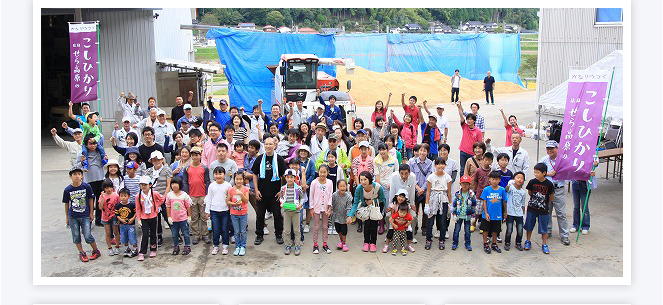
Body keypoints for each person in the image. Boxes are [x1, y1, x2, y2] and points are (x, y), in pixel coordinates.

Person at [251, 137, 287, 245]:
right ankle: (259, 235)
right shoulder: (260, 158)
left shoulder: (279, 159)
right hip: (261, 192)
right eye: (266, 144)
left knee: (277, 215)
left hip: (275, 193)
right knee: (260, 215)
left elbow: (284, 176)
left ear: (274, 146)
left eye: (270, 144)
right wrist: (256, 190)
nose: (268, 146)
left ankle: (279, 235)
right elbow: (254, 174)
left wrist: (281, 191)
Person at [63, 166, 101, 262]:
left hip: (85, 215)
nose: (77, 176)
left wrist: (91, 213)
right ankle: (81, 252)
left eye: (79, 174)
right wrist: (67, 217)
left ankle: (95, 250)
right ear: (70, 176)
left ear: (82, 176)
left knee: (87, 235)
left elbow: (91, 199)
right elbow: (67, 204)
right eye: (74, 174)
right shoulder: (68, 190)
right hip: (73, 216)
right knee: (76, 236)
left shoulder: (86, 187)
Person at [539, 140, 570, 246]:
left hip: (558, 189)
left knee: (561, 213)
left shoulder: (563, 160)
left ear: (557, 148)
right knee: (547, 211)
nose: (550, 150)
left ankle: (564, 235)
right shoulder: (544, 160)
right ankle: (547, 231)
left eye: (552, 148)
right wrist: (548, 173)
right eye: (548, 148)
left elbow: (570, 171)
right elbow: (538, 173)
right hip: (546, 190)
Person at [348, 171, 387, 252]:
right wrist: (350, 215)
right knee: (366, 225)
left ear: (369, 179)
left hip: (376, 207)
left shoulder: (378, 187)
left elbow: (382, 199)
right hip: (365, 208)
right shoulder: (359, 188)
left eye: (365, 179)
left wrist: (372, 201)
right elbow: (355, 203)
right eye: (361, 179)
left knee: (374, 225)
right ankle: (366, 243)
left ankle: (373, 243)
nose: (363, 182)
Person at [182, 146, 211, 245]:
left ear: (200, 156)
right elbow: (185, 182)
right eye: (193, 155)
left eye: (197, 155)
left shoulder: (204, 168)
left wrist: (207, 195)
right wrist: (187, 195)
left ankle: (205, 234)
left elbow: (207, 181)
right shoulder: (187, 168)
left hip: (202, 195)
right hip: (192, 196)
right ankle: (195, 234)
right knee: (194, 217)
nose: (195, 157)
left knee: (204, 216)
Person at [75, 135, 106, 226]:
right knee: (89, 201)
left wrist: (105, 159)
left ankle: (99, 220)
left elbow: (105, 164)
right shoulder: (82, 154)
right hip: (89, 181)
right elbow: (75, 167)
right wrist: (81, 162)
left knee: (100, 200)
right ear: (86, 144)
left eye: (94, 143)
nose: (93, 146)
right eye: (90, 144)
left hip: (100, 179)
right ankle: (88, 220)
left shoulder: (100, 152)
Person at [524, 163, 555, 254]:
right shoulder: (532, 182)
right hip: (532, 208)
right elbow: (530, 192)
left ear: (544, 173)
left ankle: (544, 244)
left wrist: (546, 203)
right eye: (535, 172)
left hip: (543, 210)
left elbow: (551, 195)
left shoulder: (549, 184)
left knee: (544, 227)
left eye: (538, 172)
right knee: (529, 225)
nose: (536, 174)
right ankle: (528, 241)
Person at [145, 151, 173, 246]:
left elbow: (168, 185)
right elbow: (147, 185)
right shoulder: (148, 171)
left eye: (158, 159)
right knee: (155, 219)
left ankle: (175, 234)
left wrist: (164, 197)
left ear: (162, 160)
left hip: (164, 196)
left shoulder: (166, 170)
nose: (156, 161)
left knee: (168, 217)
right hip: (152, 198)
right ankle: (159, 236)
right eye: (154, 160)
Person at [424, 157, 453, 250]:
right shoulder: (431, 177)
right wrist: (427, 205)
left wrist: (450, 204)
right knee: (430, 221)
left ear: (445, 165)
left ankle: (442, 239)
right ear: (435, 165)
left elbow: (449, 192)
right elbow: (428, 192)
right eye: (438, 164)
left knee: (442, 221)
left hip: (443, 199)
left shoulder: (448, 177)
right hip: (433, 199)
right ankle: (428, 239)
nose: (440, 166)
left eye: (442, 164)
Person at [135, 175, 165, 261]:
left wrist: (156, 207)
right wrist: (139, 219)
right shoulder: (138, 196)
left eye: (145, 185)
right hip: (144, 218)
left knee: (153, 234)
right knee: (144, 235)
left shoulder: (154, 193)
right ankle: (142, 252)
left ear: (150, 185)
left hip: (153, 216)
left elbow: (162, 199)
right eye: (142, 185)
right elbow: (138, 208)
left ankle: (153, 249)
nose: (143, 186)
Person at [205, 166, 232, 255]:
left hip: (225, 210)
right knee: (215, 229)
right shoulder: (212, 185)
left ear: (224, 175)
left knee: (225, 229)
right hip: (214, 211)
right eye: (216, 174)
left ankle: (225, 246)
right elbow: (209, 198)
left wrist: (231, 210)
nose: (218, 176)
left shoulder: (228, 185)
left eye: (220, 174)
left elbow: (230, 198)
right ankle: (215, 246)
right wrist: (207, 211)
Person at [407, 143, 433, 235]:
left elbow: (429, 178)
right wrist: (418, 188)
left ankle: (424, 227)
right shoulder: (412, 162)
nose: (422, 153)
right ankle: (415, 226)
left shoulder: (430, 163)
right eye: (420, 150)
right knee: (414, 210)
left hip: (425, 191)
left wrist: (422, 189)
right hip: (415, 190)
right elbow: (411, 176)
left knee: (425, 210)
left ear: (428, 152)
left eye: (424, 151)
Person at [279, 169, 306, 256]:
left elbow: (302, 198)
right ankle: (288, 245)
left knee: (296, 230)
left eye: (291, 177)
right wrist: (282, 203)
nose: (290, 179)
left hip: (296, 212)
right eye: (288, 177)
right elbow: (281, 197)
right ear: (285, 178)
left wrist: (300, 205)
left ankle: (297, 245)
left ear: (295, 178)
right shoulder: (283, 188)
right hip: (286, 211)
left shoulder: (298, 188)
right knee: (286, 230)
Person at [308, 164, 334, 254]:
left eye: (324, 172)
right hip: (316, 207)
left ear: (327, 173)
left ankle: (325, 244)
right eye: (321, 172)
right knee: (316, 227)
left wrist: (330, 207)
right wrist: (311, 208)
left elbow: (330, 195)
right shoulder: (314, 182)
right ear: (318, 172)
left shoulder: (330, 182)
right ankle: (315, 245)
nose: (322, 174)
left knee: (325, 226)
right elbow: (311, 195)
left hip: (326, 208)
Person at [480, 171, 508, 254]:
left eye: (496, 179)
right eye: (493, 179)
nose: (494, 181)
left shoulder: (502, 190)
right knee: (485, 229)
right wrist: (486, 213)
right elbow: (484, 202)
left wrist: (505, 212)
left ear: (499, 180)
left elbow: (504, 202)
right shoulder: (486, 190)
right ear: (489, 180)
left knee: (496, 230)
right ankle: (485, 243)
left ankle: (494, 243)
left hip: (497, 214)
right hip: (487, 214)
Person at [165, 177, 192, 256]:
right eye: (172, 184)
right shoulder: (169, 195)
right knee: (174, 234)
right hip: (174, 219)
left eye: (176, 184)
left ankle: (187, 246)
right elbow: (168, 206)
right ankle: (176, 246)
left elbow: (188, 206)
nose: (174, 186)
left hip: (183, 218)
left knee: (186, 233)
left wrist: (189, 216)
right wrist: (169, 217)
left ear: (180, 185)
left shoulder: (184, 195)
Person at [457, 101, 484, 175]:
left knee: (472, 170)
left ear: (474, 121)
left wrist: (479, 153)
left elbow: (480, 143)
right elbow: (461, 116)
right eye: (468, 119)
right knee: (462, 169)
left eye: (471, 119)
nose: (469, 121)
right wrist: (459, 107)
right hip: (463, 151)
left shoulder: (478, 131)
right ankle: (462, 185)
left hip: (473, 153)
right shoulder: (464, 127)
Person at [451, 175, 477, 251]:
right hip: (459, 216)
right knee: (456, 230)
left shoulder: (472, 194)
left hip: (467, 216)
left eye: (467, 183)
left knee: (467, 231)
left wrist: (473, 216)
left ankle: (468, 244)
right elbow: (455, 205)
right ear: (460, 184)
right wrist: (454, 215)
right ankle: (455, 243)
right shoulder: (457, 194)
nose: (465, 185)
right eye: (463, 183)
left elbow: (474, 205)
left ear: (469, 184)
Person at [228, 171, 250, 256]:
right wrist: (234, 204)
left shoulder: (245, 189)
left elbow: (246, 200)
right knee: (236, 231)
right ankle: (237, 246)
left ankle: (243, 246)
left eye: (240, 179)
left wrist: (241, 194)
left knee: (243, 231)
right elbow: (228, 201)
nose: (239, 181)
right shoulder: (231, 190)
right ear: (234, 179)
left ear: (243, 180)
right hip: (234, 213)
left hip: (243, 213)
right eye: (237, 179)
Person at [504, 171, 526, 251]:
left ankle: (518, 243)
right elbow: (506, 189)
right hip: (510, 212)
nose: (520, 180)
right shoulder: (511, 188)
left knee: (520, 229)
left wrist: (523, 214)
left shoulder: (523, 192)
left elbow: (523, 204)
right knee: (509, 229)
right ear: (514, 179)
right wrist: (510, 183)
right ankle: (507, 242)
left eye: (522, 178)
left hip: (519, 213)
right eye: (518, 178)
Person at [472, 152, 493, 233]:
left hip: (489, 195)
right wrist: (476, 191)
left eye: (489, 160)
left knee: (486, 211)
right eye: (486, 160)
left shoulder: (492, 171)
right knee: (477, 211)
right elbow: (476, 181)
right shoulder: (478, 170)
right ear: (483, 160)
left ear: (491, 161)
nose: (487, 162)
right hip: (479, 194)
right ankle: (473, 223)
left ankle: (483, 226)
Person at [98, 179, 120, 256]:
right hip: (105, 216)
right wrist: (103, 198)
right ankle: (109, 248)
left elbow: (119, 206)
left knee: (116, 232)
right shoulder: (102, 196)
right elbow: (100, 207)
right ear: (104, 189)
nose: (109, 189)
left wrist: (118, 217)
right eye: (106, 188)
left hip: (114, 216)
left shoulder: (116, 195)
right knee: (107, 233)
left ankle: (117, 246)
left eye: (110, 187)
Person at [115, 188, 138, 257]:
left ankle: (135, 249)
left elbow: (136, 212)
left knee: (132, 237)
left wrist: (133, 218)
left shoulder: (132, 205)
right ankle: (127, 248)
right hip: (122, 225)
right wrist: (121, 219)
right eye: (121, 196)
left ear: (129, 196)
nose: (123, 198)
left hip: (131, 224)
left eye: (125, 196)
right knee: (124, 237)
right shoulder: (118, 205)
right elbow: (117, 214)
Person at [331, 179, 352, 252]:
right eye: (341, 186)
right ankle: (341, 240)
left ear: (346, 187)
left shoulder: (348, 197)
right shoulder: (334, 195)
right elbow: (331, 204)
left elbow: (349, 207)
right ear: (337, 187)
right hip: (336, 216)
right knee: (338, 229)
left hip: (344, 216)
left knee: (344, 230)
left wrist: (348, 216)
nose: (342, 188)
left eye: (344, 186)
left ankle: (344, 242)